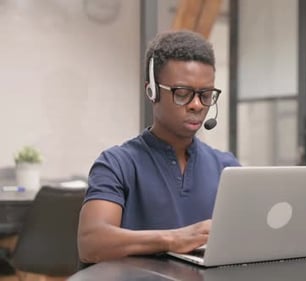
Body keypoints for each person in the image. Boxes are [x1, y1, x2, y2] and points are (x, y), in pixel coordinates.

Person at [77, 30, 240, 264]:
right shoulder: (117, 163)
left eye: (205, 95)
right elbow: (92, 243)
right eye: (182, 93)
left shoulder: (227, 167)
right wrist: (173, 239)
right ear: (151, 92)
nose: (196, 105)